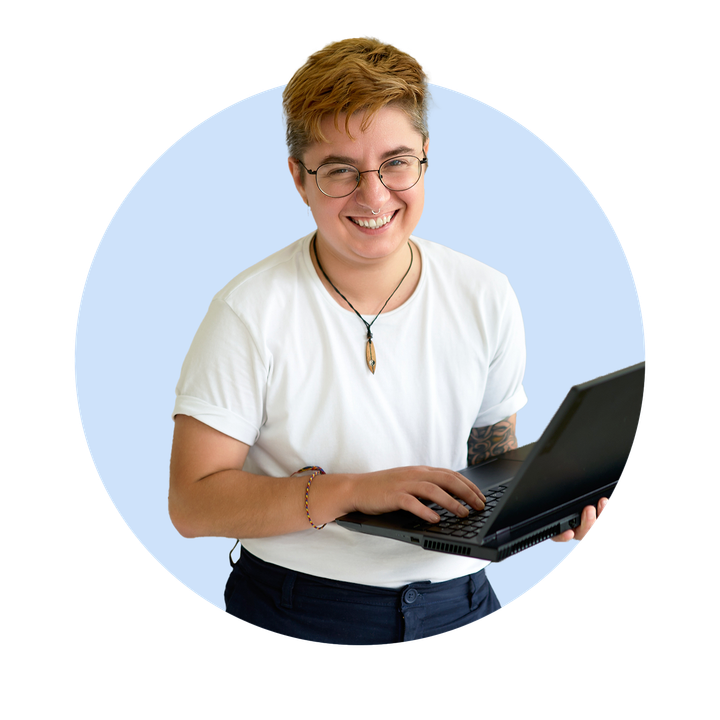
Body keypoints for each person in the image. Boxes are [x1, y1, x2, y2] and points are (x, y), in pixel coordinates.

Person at [169, 36, 607, 645]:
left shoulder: (486, 292)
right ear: (299, 178)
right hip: (299, 609)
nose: (374, 195)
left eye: (395, 162)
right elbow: (192, 505)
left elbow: (487, 458)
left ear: (425, 157)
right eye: (340, 170)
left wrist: (544, 505)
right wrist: (352, 492)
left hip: (466, 601)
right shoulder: (247, 312)